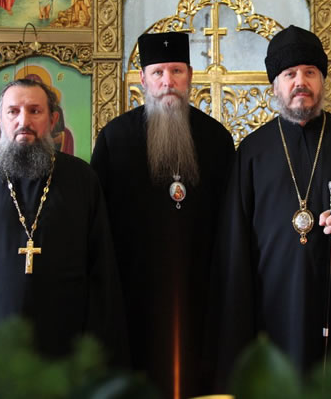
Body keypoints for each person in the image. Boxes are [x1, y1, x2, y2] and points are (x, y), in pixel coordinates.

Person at [213, 25, 331, 388]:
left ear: (322, 80)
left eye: (310, 72)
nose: (300, 82)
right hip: (272, 307)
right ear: (275, 86)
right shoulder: (252, 151)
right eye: (290, 74)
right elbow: (234, 244)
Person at [0, 78, 125, 361]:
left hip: (64, 349)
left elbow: (101, 272)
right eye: (13, 111)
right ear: (0, 120)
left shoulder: (82, 180)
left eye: (35, 111)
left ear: (53, 120)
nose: (24, 121)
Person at [91, 31, 234, 399]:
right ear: (143, 79)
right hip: (133, 290)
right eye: (158, 72)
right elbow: (97, 224)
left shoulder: (217, 139)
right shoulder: (114, 139)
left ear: (190, 75)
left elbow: (232, 221)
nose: (167, 81)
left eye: (176, 71)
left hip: (200, 288)